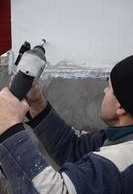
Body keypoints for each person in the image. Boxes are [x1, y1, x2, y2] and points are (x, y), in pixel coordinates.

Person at [0, 55, 133, 194]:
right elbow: (75, 150)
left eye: (109, 87)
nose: (104, 91)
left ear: (121, 108)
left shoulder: (120, 165)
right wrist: (37, 105)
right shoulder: (119, 137)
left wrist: (9, 128)